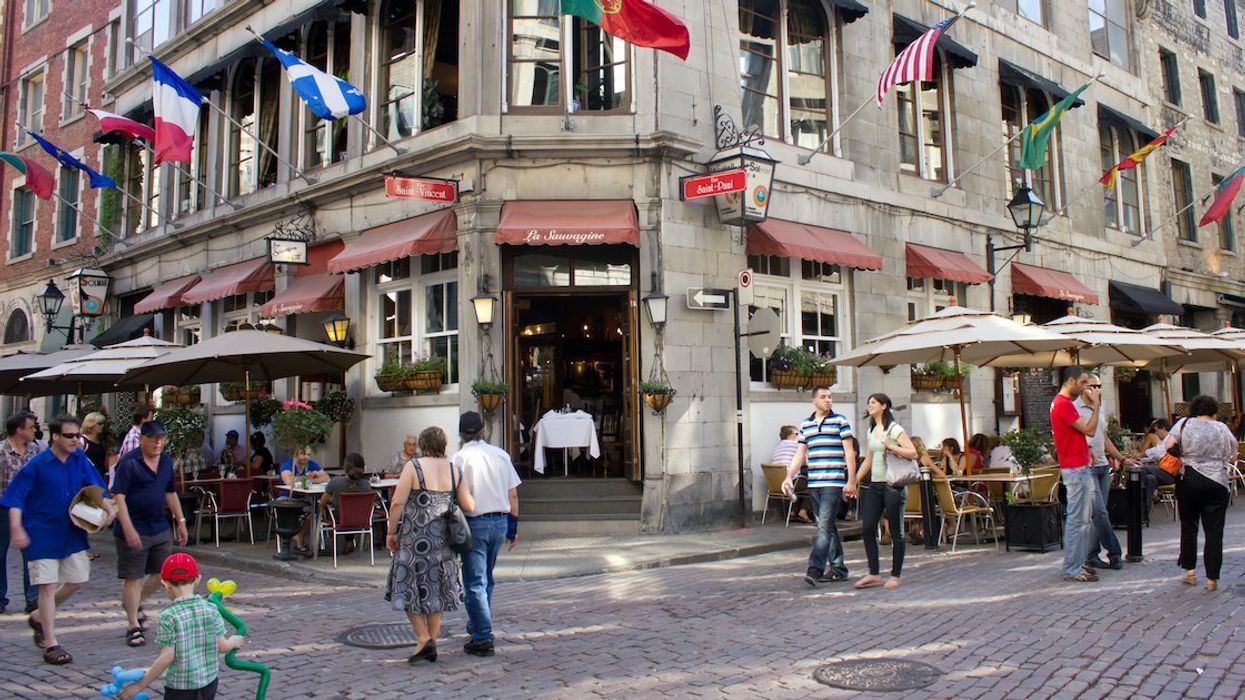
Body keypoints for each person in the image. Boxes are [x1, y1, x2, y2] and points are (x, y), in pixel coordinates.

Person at [2, 415, 117, 664]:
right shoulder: (37, 464)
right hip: (41, 533)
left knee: (77, 579)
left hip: (71, 532)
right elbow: (14, 497)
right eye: (70, 435)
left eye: (77, 435)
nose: (76, 440)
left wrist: (109, 510)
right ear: (55, 437)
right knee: (47, 586)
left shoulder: (80, 460)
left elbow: (95, 489)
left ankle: (38, 616)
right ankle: (51, 642)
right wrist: (16, 528)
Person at [385, 427, 476, 663]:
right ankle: (430, 643)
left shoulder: (413, 467)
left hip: (414, 538)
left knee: (406, 587)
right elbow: (469, 505)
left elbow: (397, 503)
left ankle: (424, 638)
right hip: (442, 540)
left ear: (423, 444)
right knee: (435, 589)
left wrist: (391, 532)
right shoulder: (454, 470)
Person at [117, 553, 244, 700]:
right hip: (208, 683)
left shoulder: (168, 616)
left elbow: (167, 657)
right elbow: (222, 646)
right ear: (197, 580)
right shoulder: (210, 609)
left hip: (180, 689)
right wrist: (233, 641)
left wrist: (139, 685)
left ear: (164, 583)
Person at [112, 420, 189, 647]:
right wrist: (127, 528)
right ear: (142, 439)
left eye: (162, 439)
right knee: (133, 577)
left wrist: (181, 521)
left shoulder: (165, 461)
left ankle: (134, 604)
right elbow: (119, 497)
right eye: (154, 439)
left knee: (163, 574)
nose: (158, 443)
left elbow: (170, 492)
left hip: (158, 526)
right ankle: (132, 625)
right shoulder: (129, 463)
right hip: (134, 526)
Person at [452, 411, 522, 658]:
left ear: (461, 433)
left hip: (475, 522)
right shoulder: (501, 455)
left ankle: (482, 636)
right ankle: (477, 624)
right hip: (500, 521)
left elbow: (455, 494)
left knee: (474, 582)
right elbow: (512, 494)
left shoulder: (459, 458)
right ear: (483, 430)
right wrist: (513, 528)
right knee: (485, 578)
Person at [781, 386, 857, 588]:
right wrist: (789, 475)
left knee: (823, 525)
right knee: (826, 525)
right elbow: (800, 453)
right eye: (823, 397)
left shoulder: (840, 421)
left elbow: (849, 453)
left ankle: (814, 569)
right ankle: (839, 569)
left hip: (834, 481)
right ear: (813, 401)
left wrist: (851, 481)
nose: (828, 400)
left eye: (830, 397)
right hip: (814, 482)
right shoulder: (806, 425)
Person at [1169, 395, 1236, 592]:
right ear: (1214, 411)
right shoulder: (1222, 428)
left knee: (1189, 526)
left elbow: (1168, 446)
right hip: (1217, 481)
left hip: (1188, 478)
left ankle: (1189, 571)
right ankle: (1212, 579)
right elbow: (1232, 453)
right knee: (1214, 532)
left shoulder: (1184, 423)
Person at [854, 394, 917, 591]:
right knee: (867, 527)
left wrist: (890, 445)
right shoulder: (871, 430)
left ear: (884, 406)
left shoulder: (894, 429)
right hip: (875, 485)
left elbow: (913, 452)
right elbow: (869, 459)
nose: (869, 405)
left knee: (896, 531)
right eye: (869, 402)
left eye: (873, 402)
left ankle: (895, 575)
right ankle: (874, 573)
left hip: (893, 485)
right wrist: (853, 481)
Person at [1050, 365, 1101, 583]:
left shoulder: (1061, 404)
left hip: (1078, 466)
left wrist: (1086, 449)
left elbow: (1077, 434)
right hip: (1075, 469)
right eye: (1082, 383)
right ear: (1071, 381)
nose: (1085, 388)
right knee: (1077, 520)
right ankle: (1072, 567)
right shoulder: (1063, 404)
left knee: (1084, 519)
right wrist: (1096, 406)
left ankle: (1078, 563)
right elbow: (1089, 429)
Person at [1074, 375, 1130, 572]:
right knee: (1100, 512)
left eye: (1099, 386)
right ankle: (1114, 552)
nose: (1097, 389)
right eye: (1093, 386)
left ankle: (1091, 555)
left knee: (1098, 514)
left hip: (1102, 466)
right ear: (1082, 388)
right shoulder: (1074, 409)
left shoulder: (1101, 410)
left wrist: (1121, 458)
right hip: (1085, 467)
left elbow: (1104, 438)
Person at [0, 410, 41, 615]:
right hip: (4, 510)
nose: (35, 430)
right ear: (19, 431)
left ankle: (32, 599)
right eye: (31, 427)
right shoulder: (1, 451)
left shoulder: (35, 451)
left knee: (32, 555)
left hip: (30, 510)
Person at [320, 453, 372, 556]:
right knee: (351, 509)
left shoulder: (335, 483)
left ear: (344, 468)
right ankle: (349, 542)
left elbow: (322, 501)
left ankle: (328, 543)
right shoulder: (366, 485)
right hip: (361, 519)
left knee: (329, 509)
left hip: (339, 519)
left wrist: (333, 499)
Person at [280, 446, 328, 555]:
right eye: (303, 454)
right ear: (296, 454)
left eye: (309, 454)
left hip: (305, 498)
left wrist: (312, 480)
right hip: (287, 497)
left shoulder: (311, 464)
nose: (306, 457)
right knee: (288, 509)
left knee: (316, 510)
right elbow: (288, 481)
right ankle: (288, 541)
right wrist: (307, 478)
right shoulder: (288, 465)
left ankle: (300, 536)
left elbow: (326, 478)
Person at [770, 425, 811, 522]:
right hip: (790, 483)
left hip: (776, 484)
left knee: (799, 484)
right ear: (791, 435)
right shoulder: (796, 445)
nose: (799, 436)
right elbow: (807, 462)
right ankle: (803, 511)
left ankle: (792, 512)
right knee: (813, 485)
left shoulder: (777, 446)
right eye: (797, 434)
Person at [80, 412, 108, 481]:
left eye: (103, 423)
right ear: (91, 424)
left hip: (100, 478)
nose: (102, 426)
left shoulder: (101, 441)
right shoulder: (82, 441)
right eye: (99, 423)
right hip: (87, 479)